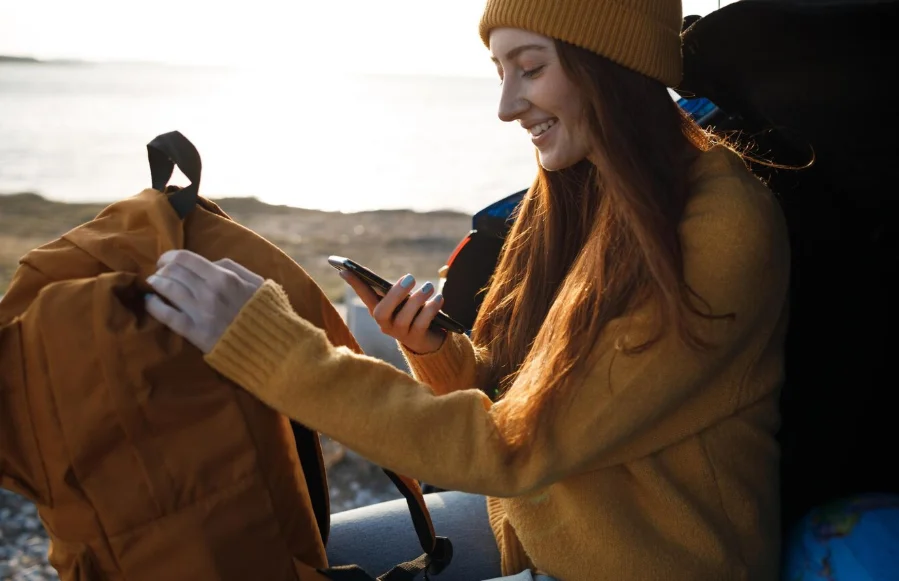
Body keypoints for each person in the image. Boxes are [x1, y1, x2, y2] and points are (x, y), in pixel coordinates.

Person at [144, 0, 791, 579]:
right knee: (264, 558)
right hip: (534, 524)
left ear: (613, 64)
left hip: (649, 562)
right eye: (499, 72)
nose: (506, 107)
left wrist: (276, 353)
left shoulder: (719, 227)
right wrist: (435, 353)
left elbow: (515, 448)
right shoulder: (576, 192)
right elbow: (511, 399)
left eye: (530, 68)